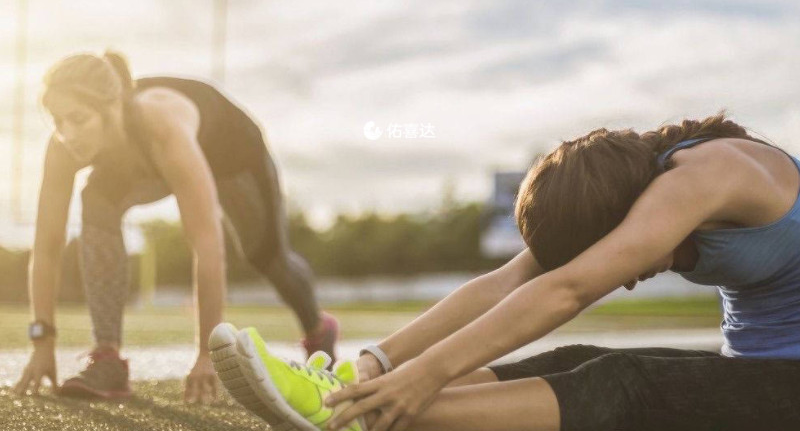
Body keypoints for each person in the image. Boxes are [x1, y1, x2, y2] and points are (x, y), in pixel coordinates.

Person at [218, 113, 800, 431]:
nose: (623, 278)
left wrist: (427, 377)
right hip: (756, 372)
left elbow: (568, 288)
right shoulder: (622, 184)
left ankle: (354, 418)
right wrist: (379, 359)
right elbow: (507, 284)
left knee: (623, 382)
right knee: (573, 361)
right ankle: (351, 390)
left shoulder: (709, 175)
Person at [13, 51, 338, 403]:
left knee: (265, 257)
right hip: (142, 161)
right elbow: (46, 247)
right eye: (57, 121)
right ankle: (107, 359)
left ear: (112, 108)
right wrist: (41, 341)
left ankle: (319, 329)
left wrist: (207, 354)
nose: (67, 134)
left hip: (232, 154)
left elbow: (206, 244)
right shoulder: (63, 147)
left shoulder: (161, 123)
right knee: (97, 200)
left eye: (78, 119)